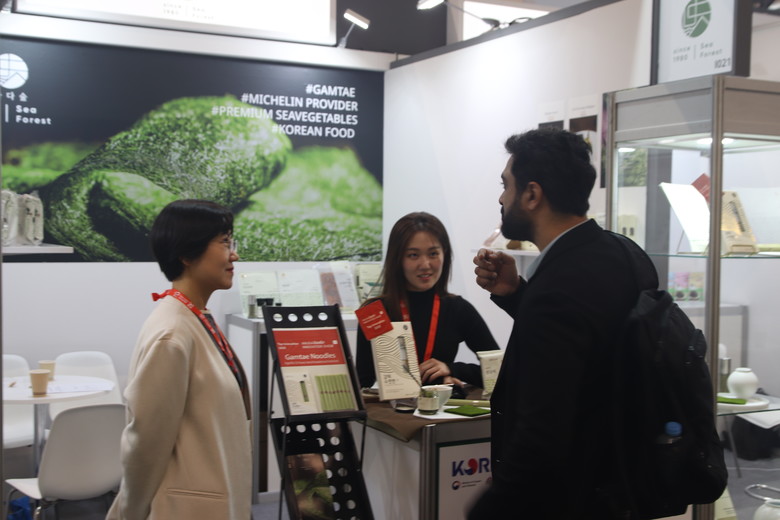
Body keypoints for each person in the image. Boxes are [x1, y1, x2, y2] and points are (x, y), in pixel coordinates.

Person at [468, 129, 659, 519]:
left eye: (506, 186)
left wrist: (488, 511)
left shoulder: (556, 287)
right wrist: (516, 294)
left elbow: (541, 433)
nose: (501, 199)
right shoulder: (624, 254)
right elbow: (587, 345)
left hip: (569, 498)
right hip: (623, 487)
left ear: (532, 195)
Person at [107, 200, 252, 520]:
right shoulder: (172, 335)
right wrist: (130, 512)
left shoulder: (195, 317)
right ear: (186, 253)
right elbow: (146, 443)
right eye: (225, 243)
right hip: (187, 507)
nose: (235, 255)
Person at [356, 211, 499, 389]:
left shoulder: (458, 309)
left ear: (444, 254)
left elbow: (500, 369)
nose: (425, 265)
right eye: (413, 255)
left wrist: (452, 369)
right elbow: (362, 383)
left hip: (441, 406)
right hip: (394, 406)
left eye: (433, 254)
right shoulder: (375, 312)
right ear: (397, 259)